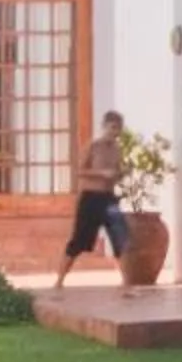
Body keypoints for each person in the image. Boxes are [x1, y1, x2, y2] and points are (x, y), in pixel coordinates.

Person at [57, 111, 129, 289]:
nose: (115, 132)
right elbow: (79, 171)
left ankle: (127, 281)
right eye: (112, 127)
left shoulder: (117, 150)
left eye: (118, 128)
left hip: (109, 198)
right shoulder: (93, 146)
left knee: (119, 235)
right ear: (104, 126)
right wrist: (101, 174)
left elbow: (118, 171)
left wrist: (120, 174)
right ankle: (60, 280)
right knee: (79, 239)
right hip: (91, 197)